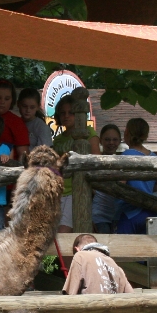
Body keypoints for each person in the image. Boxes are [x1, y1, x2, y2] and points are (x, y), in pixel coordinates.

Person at [52, 94, 100, 233]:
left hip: (78, 187)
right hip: (60, 188)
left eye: (71, 113)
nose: (66, 116)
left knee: (65, 231)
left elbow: (96, 159)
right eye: (63, 113)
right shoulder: (58, 140)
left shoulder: (88, 132)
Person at [115, 118, 157, 235]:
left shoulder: (126, 156)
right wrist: (147, 187)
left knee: (125, 248)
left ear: (127, 132)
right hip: (150, 211)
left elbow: (121, 183)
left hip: (130, 212)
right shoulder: (154, 157)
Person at [0, 79, 30, 163]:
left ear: (12, 100)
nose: (2, 102)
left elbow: (23, 155)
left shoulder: (17, 122)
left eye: (7, 99)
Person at [92, 124, 122, 234]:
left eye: (115, 139)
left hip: (119, 215)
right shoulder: (94, 162)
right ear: (100, 141)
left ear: (120, 141)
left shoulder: (125, 162)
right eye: (107, 139)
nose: (111, 143)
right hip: (99, 215)